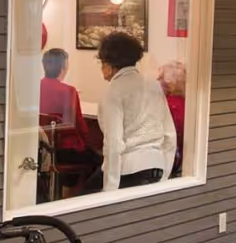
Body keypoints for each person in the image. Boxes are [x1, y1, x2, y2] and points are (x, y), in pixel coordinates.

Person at [97, 33, 176, 191]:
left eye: (101, 63)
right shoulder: (153, 85)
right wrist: (165, 173)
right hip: (156, 166)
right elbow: (170, 135)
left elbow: (113, 143)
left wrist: (110, 190)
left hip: (128, 170)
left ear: (108, 64)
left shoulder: (113, 91)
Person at [39, 48, 103, 185]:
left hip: (41, 149)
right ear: (63, 67)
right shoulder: (68, 91)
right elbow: (80, 126)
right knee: (100, 160)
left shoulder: (35, 87)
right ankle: (77, 195)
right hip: (64, 149)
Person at [158, 61, 186, 177]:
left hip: (170, 161)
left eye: (160, 77)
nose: (157, 80)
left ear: (170, 82)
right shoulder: (184, 102)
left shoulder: (169, 104)